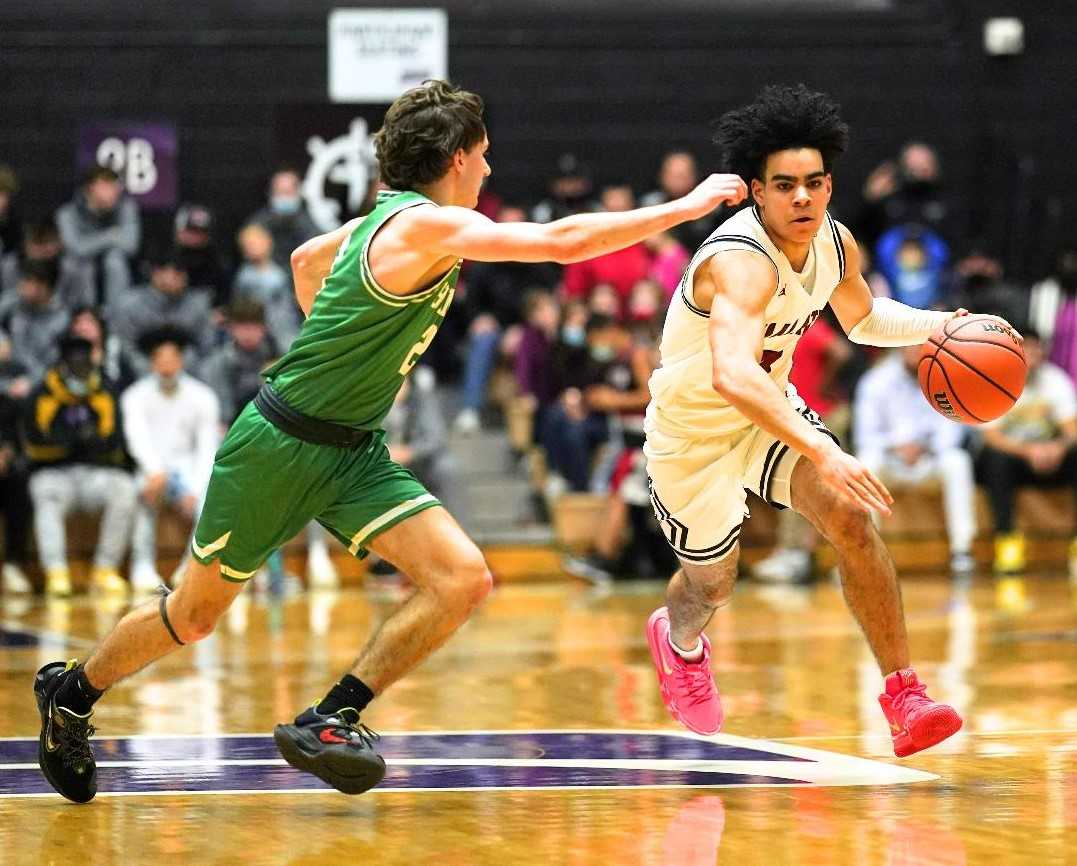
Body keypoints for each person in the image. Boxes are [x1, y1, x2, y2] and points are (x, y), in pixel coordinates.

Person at [32, 79, 745, 803]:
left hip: (352, 450)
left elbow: (306, 260)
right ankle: (71, 695)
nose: (492, 172)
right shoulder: (422, 227)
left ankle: (333, 715)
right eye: (486, 157)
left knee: (462, 578)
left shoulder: (388, 217)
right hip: (280, 443)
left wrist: (347, 352)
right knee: (193, 615)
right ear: (459, 159)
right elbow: (561, 242)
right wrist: (687, 206)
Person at [642, 84, 990, 759]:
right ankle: (679, 642)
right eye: (784, 186)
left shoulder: (834, 241)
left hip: (766, 415)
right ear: (755, 191)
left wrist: (939, 326)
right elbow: (731, 374)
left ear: (828, 184)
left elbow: (860, 318)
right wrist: (822, 448)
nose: (801, 197)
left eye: (813, 183)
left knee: (850, 519)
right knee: (712, 583)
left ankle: (903, 695)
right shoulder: (738, 262)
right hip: (693, 436)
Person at [22, 334, 136, 598]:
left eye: (85, 361)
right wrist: (76, 442)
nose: (80, 366)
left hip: (96, 473)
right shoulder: (43, 392)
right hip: (54, 473)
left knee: (125, 489)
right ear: (63, 363)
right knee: (45, 493)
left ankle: (105, 570)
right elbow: (35, 446)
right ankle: (56, 572)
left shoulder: (105, 390)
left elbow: (113, 443)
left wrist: (83, 444)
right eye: (74, 361)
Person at [854, 345, 977, 575]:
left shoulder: (943, 378)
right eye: (912, 346)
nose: (917, 351)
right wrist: (896, 446)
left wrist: (923, 447)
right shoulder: (875, 381)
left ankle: (962, 551)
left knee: (957, 461)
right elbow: (865, 436)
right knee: (866, 461)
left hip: (929, 461)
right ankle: (866, 551)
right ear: (900, 347)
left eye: (923, 347)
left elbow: (952, 432)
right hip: (890, 462)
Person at [121, 328, 221, 594]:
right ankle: (141, 566)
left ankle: (190, 568)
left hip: (190, 469)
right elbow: (137, 439)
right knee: (142, 495)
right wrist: (156, 473)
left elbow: (207, 447)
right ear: (152, 362)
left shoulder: (203, 396)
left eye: (172, 358)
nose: (166, 364)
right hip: (151, 469)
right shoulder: (134, 396)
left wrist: (195, 488)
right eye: (160, 358)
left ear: (181, 360)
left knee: (209, 503)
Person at [974, 330, 1077, 575]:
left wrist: (1057, 447)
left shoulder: (1055, 380)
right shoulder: (993, 380)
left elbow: (1072, 429)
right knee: (995, 459)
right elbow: (991, 436)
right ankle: (1007, 542)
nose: (1032, 355)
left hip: (1051, 458)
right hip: (1013, 460)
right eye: (1026, 349)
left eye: (1036, 349)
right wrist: (1028, 451)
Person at [55, 165, 140, 308]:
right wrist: (112, 235)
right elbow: (76, 249)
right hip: (79, 273)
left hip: (115, 269)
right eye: (107, 186)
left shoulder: (126, 208)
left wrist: (91, 243)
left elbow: (131, 245)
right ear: (89, 188)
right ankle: (83, 317)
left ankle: (115, 317)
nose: (115, 191)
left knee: (114, 260)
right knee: (76, 264)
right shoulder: (66, 213)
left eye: (116, 186)